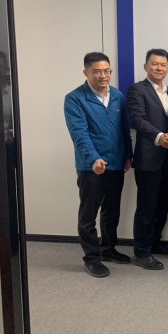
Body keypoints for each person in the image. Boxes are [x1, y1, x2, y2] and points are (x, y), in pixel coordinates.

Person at [64, 52, 133, 278]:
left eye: (107, 71)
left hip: (116, 164)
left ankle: (108, 249)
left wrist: (128, 155)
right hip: (91, 166)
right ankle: (92, 259)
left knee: (111, 211)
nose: (103, 75)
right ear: (86, 72)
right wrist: (93, 158)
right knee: (88, 215)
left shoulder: (117, 96)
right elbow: (79, 134)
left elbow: (124, 130)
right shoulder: (75, 98)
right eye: (97, 71)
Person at [126, 49, 168, 271]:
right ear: (146, 67)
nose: (159, 68)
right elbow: (138, 119)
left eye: (163, 65)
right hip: (149, 159)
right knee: (146, 207)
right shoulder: (137, 90)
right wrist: (158, 137)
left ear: (167, 68)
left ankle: (155, 242)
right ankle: (141, 252)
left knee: (163, 204)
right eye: (155, 64)